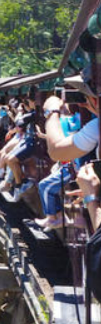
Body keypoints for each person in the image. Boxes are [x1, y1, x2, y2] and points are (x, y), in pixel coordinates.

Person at [42, 75, 100, 230]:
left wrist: (52, 112)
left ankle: (53, 217)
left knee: (45, 185)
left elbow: (56, 151)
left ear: (94, 100)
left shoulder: (96, 127)